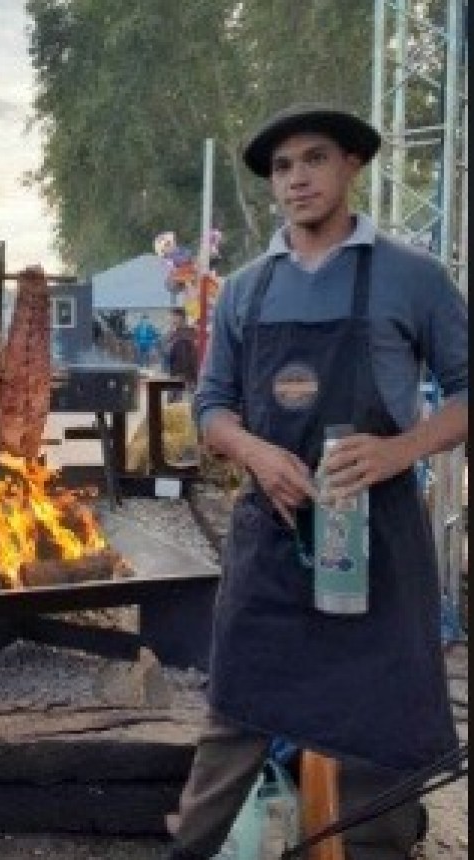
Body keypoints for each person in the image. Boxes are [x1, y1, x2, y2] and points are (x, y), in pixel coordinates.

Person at [162, 105, 467, 859]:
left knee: (380, 718)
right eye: (282, 168)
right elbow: (211, 409)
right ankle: (190, 851)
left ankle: (377, 848)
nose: (297, 179)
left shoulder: (413, 277)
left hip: (380, 535)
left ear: (352, 166)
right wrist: (259, 456)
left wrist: (403, 452)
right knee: (236, 712)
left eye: (314, 159)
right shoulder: (244, 290)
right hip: (272, 537)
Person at [162, 307, 198, 400]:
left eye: (173, 316)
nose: (171, 319)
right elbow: (166, 351)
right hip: (174, 372)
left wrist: (188, 376)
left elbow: (188, 356)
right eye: (171, 316)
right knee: (173, 402)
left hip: (182, 374)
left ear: (180, 317)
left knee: (178, 402)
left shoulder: (186, 333)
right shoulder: (173, 333)